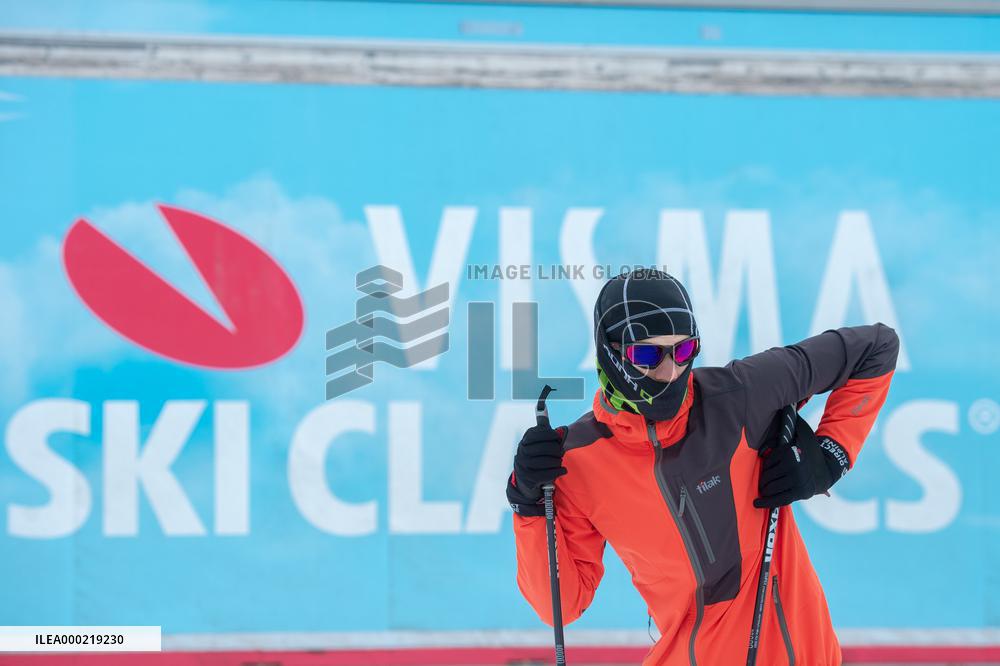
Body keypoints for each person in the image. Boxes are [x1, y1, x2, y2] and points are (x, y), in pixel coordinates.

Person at [506, 268, 899, 666]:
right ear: (608, 351)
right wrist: (529, 505)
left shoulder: (739, 397)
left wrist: (830, 458)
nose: (669, 372)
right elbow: (561, 605)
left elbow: (877, 348)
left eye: (682, 351)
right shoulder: (579, 460)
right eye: (646, 354)